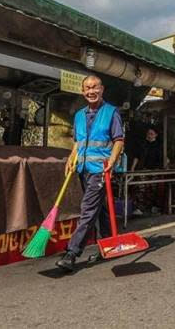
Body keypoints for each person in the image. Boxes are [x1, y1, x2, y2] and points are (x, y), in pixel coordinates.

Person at [55, 75, 125, 271]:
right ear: (82, 91)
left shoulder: (112, 112)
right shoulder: (78, 115)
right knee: (98, 208)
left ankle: (72, 252)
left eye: (95, 87)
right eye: (87, 88)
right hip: (83, 169)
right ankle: (109, 245)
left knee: (88, 209)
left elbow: (118, 140)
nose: (91, 91)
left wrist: (111, 162)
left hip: (101, 170)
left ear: (102, 89)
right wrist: (71, 158)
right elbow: (78, 142)